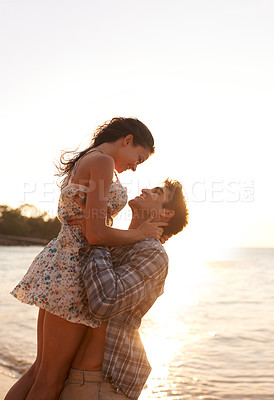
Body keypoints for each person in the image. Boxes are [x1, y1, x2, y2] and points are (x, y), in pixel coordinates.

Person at [5, 117, 165, 400]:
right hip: (73, 273)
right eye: (138, 157)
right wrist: (140, 234)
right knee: (50, 379)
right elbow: (95, 233)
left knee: (39, 371)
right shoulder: (102, 162)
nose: (135, 167)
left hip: (62, 265)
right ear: (127, 140)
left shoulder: (91, 161)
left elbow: (91, 226)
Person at [58, 178, 189, 400]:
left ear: (167, 214)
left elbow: (105, 301)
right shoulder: (117, 241)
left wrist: (95, 237)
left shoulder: (153, 253)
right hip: (76, 376)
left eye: (157, 192)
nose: (145, 189)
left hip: (101, 385)